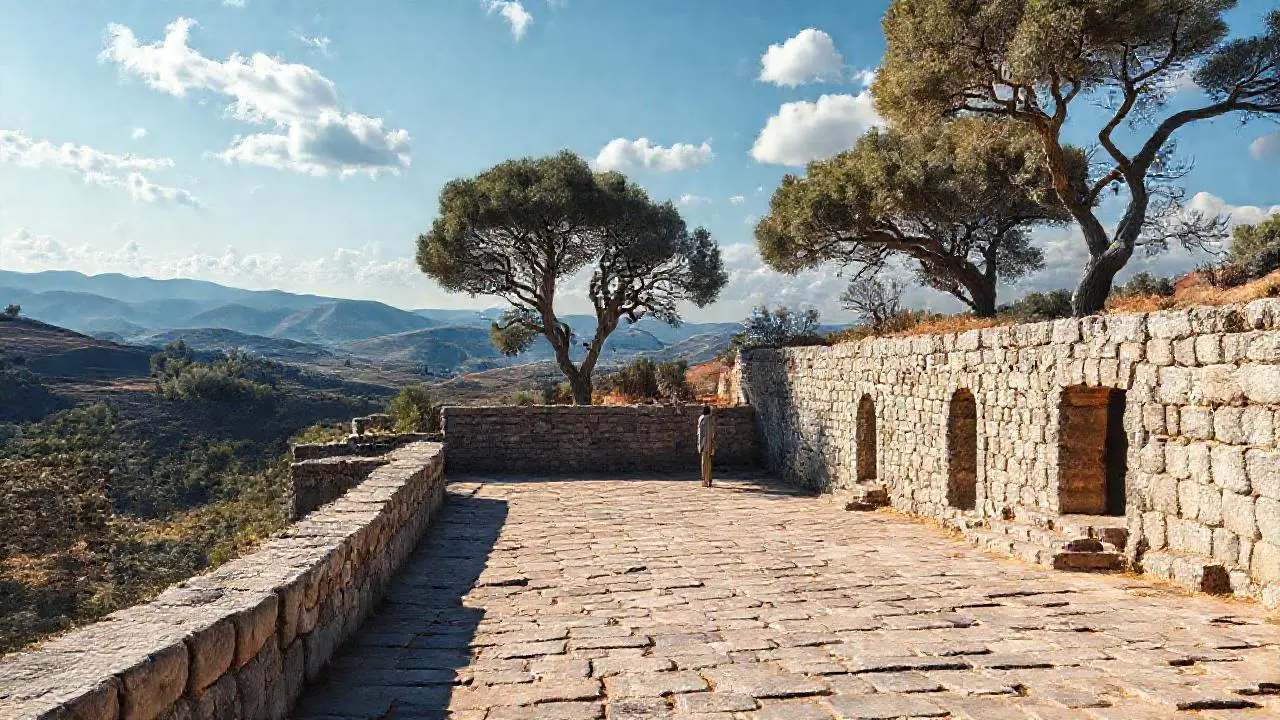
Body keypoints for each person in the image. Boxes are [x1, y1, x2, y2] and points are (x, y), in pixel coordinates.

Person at [697, 405, 716, 487]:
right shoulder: (707, 419)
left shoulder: (702, 418)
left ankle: (707, 479)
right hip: (706, 444)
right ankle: (706, 480)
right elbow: (705, 433)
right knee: (706, 462)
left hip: (706, 443)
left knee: (706, 462)